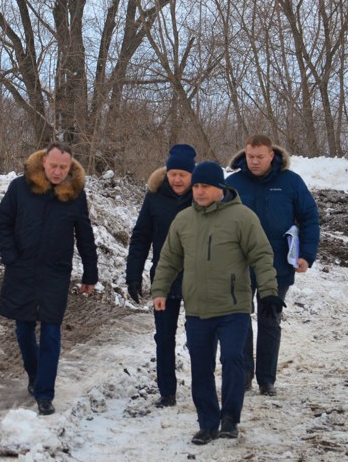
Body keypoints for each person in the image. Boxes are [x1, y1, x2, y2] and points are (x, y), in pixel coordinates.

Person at [151, 162, 281, 445]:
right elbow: (169, 259)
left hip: (233, 307)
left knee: (233, 360)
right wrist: (159, 290)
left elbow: (261, 255)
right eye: (196, 186)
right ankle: (207, 423)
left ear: (219, 188)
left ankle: (230, 419)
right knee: (201, 367)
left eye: (204, 186)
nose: (198, 192)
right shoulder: (184, 220)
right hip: (197, 308)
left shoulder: (242, 217)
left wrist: (269, 291)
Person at [0, 142, 99, 416]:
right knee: (24, 329)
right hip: (22, 269)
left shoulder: (74, 194)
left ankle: (44, 394)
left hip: (55, 272)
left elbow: (85, 236)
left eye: (63, 167)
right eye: (53, 165)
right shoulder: (20, 187)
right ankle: (35, 373)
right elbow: (2, 222)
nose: (57, 171)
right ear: (44, 163)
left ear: (70, 167)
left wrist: (90, 273)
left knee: (51, 331)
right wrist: (11, 257)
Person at [226, 134, 320, 396]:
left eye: (259, 157)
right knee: (240, 319)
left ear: (271, 156)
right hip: (239, 264)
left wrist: (306, 254)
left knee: (270, 319)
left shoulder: (290, 182)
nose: (254, 162)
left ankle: (266, 379)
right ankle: (243, 374)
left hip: (277, 263)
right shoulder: (232, 184)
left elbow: (309, 217)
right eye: (249, 156)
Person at [125, 144, 196, 408]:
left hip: (197, 279)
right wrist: (133, 273)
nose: (177, 179)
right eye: (173, 173)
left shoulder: (202, 197)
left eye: (183, 174)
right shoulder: (154, 197)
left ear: (192, 175)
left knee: (199, 335)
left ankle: (202, 386)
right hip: (163, 280)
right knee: (163, 336)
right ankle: (167, 392)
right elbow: (141, 237)